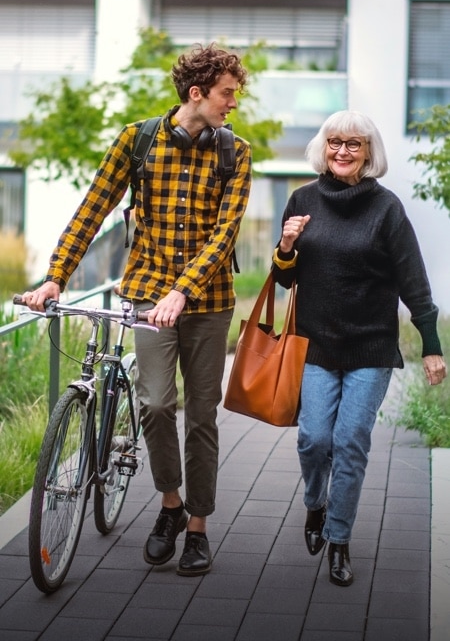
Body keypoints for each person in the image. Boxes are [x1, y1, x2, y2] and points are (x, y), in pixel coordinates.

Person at [23, 42, 252, 577]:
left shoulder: (234, 152)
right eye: (227, 94)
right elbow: (92, 208)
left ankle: (197, 527)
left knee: (201, 415)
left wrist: (185, 290)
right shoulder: (139, 139)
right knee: (152, 404)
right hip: (148, 294)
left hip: (208, 302)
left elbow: (225, 235)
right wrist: (56, 275)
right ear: (197, 93)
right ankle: (170, 505)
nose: (232, 104)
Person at [271, 110, 446, 587]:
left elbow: (414, 282)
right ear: (323, 148)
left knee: (349, 443)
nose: (343, 152)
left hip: (370, 347)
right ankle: (315, 504)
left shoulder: (386, 208)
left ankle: (340, 538)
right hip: (316, 344)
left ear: (369, 152)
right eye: (335, 143)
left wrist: (432, 346)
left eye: (354, 144)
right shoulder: (303, 200)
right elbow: (285, 277)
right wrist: (286, 245)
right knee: (313, 440)